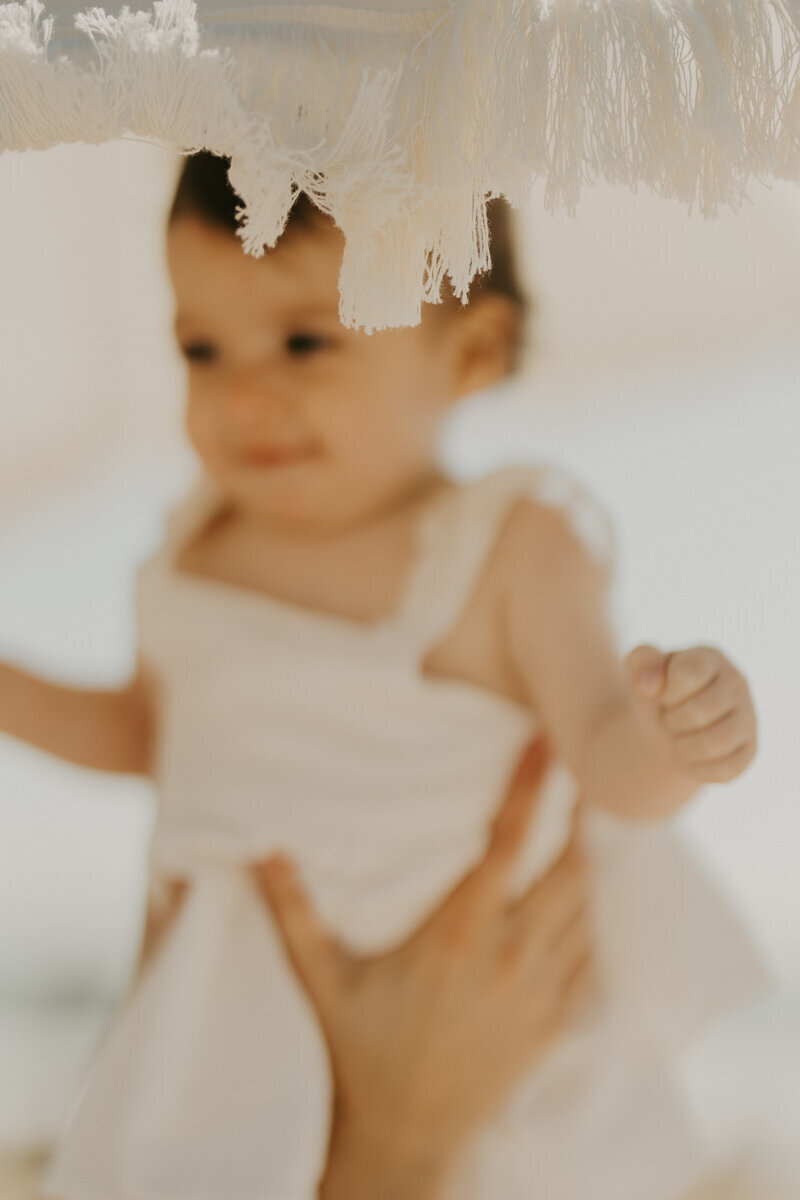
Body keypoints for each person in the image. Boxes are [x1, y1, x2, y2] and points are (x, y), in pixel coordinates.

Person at [0, 150, 764, 1199]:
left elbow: (606, 760)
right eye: (199, 348)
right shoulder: (190, 556)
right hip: (229, 1027)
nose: (242, 392)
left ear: (471, 352)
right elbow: (145, 732)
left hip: (494, 1065)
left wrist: (679, 739)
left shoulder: (506, 545)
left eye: (305, 340)